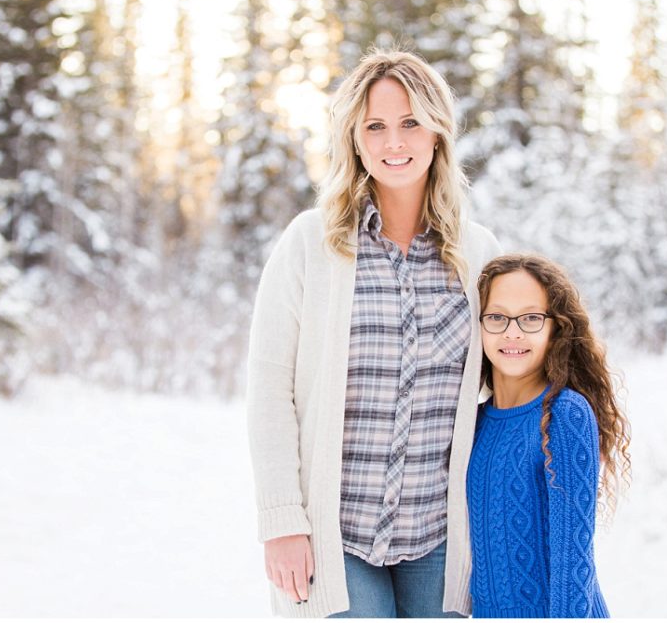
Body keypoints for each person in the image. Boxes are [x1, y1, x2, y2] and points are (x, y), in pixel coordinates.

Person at [246, 48, 501, 618]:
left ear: (437, 133)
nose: (395, 142)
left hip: (439, 534)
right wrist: (281, 520)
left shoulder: (477, 255)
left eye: (411, 123)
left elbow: (509, 378)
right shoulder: (310, 245)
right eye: (376, 126)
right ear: (355, 140)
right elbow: (269, 391)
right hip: (338, 536)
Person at [466, 254, 631, 617]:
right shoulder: (472, 422)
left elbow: (573, 561)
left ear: (556, 327)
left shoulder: (564, 414)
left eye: (530, 318)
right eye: (496, 317)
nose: (512, 332)